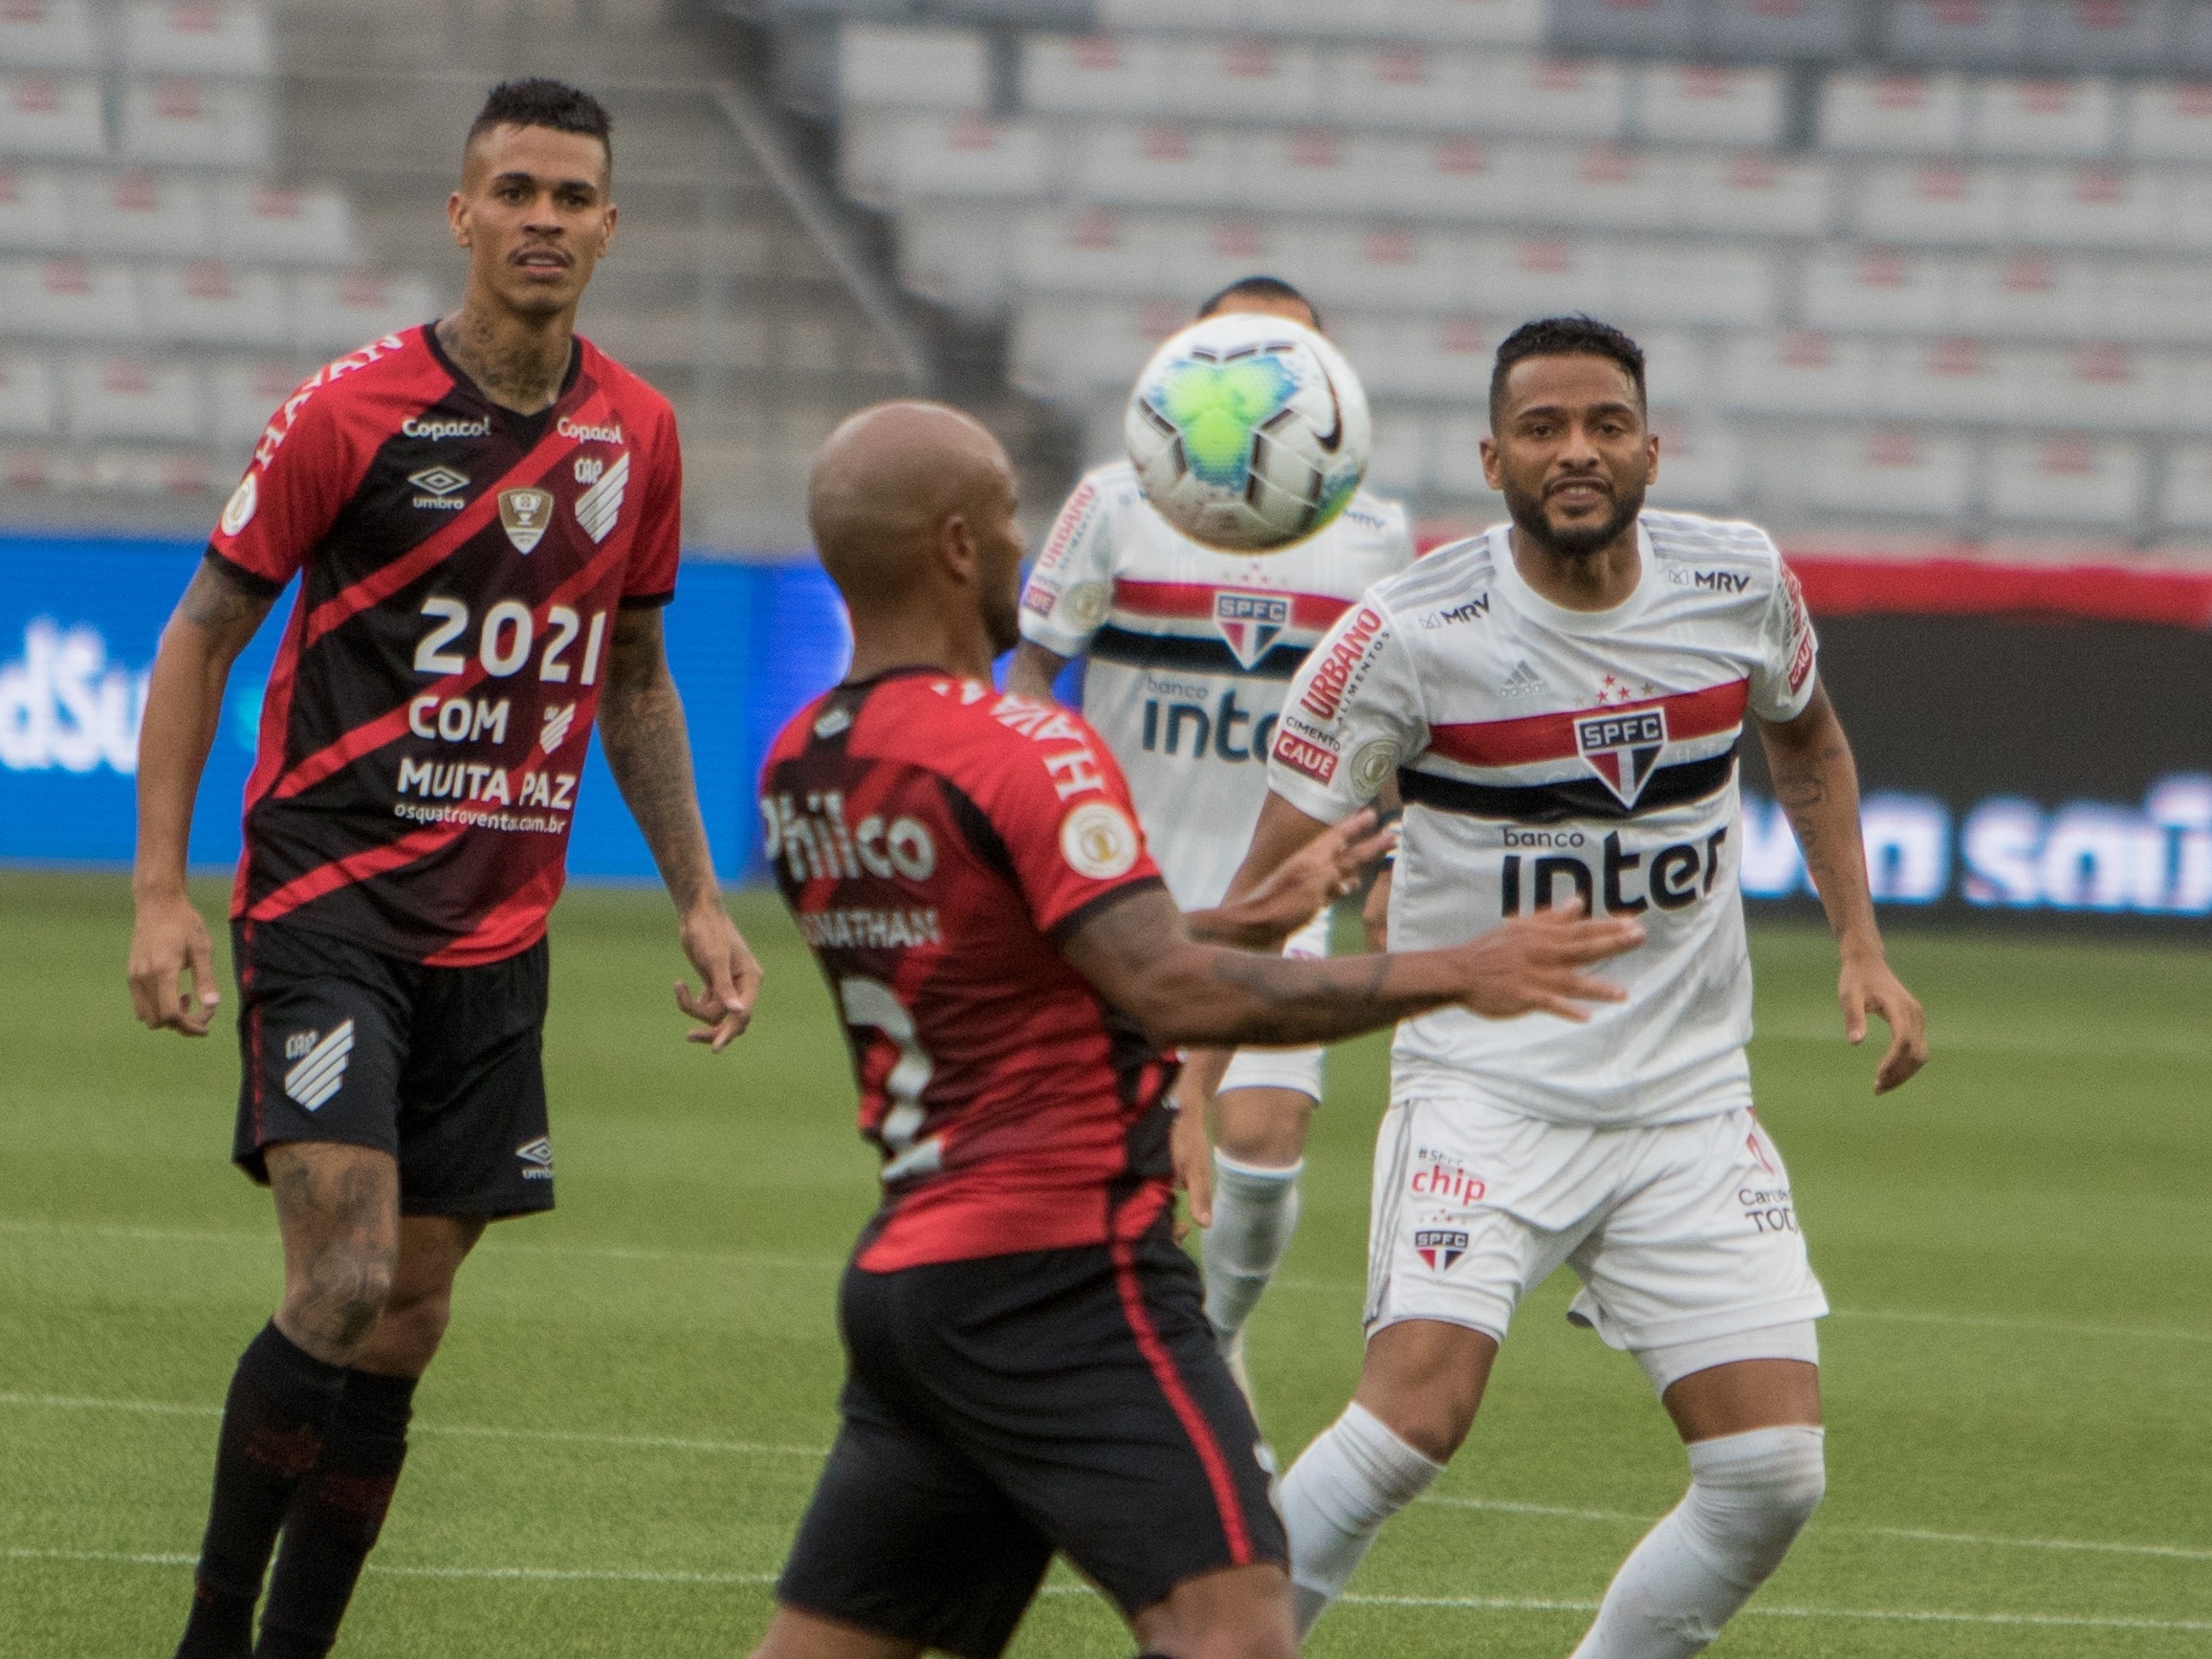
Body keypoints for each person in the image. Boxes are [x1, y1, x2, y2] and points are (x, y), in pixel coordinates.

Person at [749, 400, 1645, 1659]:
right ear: (956, 545)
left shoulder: (807, 759)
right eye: (1006, 518)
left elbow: (1016, 965)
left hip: (914, 1279)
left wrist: (1240, 915)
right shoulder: (1027, 748)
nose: (1021, 545)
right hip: (1065, 1272)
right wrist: (1454, 966)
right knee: (1233, 1628)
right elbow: (1162, 993)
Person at [125, 79, 763, 1659]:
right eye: (517, 190)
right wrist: (157, 890)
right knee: (339, 1281)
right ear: (462, 214)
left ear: (609, 225)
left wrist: (694, 894)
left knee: (406, 1318)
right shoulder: (348, 413)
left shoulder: (640, 434)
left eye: (573, 195)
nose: (544, 218)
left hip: (498, 935)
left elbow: (631, 679)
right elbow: (203, 633)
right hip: (330, 901)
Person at [1222, 316, 1929, 1655]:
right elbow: (1269, 890)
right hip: (1486, 1089)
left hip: (1684, 1100)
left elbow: (1808, 740)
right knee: (1407, 1426)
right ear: (1490, 456)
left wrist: (1861, 942)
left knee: (1771, 1472)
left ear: (1650, 445)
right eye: (1542, 427)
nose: (1577, 450)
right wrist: (1190, 1061)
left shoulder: (1738, 581)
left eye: (1605, 422)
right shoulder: (1406, 635)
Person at [1005, 275, 1415, 1399]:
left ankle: (1209, 1343)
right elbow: (1037, 658)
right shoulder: (1113, 504)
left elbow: (1410, 719)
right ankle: (1092, 1361)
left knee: (1267, 1147)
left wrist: (1398, 847)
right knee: (1097, 1154)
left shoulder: (1378, 536)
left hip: (1282, 893)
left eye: (1289, 359)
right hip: (1120, 893)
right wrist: (1035, 779)